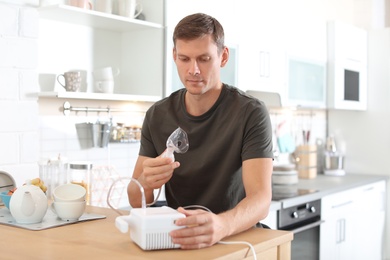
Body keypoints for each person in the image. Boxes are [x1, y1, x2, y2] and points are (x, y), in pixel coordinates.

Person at [127, 12, 273, 249]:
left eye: (204, 59)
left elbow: (261, 200)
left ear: (223, 56)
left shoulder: (250, 112)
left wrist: (222, 225)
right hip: (182, 240)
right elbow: (136, 199)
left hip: (236, 239)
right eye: (184, 59)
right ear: (174, 56)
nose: (193, 70)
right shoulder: (157, 115)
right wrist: (146, 181)